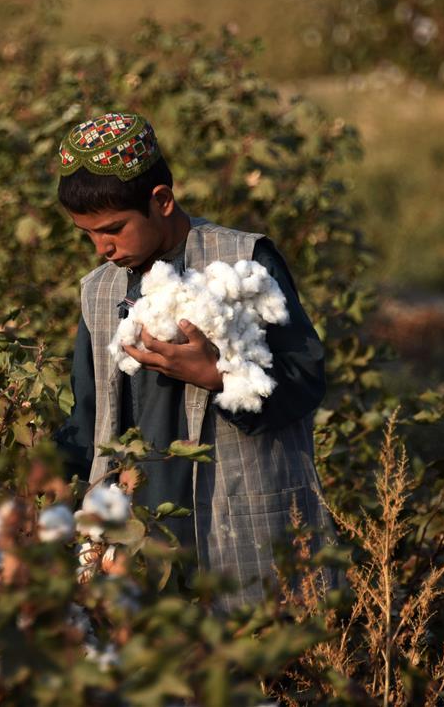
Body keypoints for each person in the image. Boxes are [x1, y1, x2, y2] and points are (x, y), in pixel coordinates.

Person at [53, 112, 340, 612]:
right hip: (139, 541)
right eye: (88, 234)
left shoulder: (243, 261)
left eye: (114, 228)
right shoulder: (99, 293)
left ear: (161, 201)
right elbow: (89, 418)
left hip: (243, 528)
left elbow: (305, 381)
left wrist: (216, 376)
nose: (102, 247)